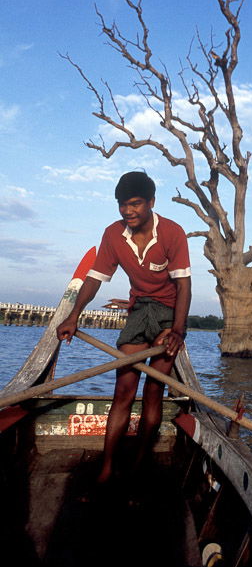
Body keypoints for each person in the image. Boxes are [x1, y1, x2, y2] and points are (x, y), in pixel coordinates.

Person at [57, 171, 191, 484]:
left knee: (154, 390)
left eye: (135, 204)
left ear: (151, 203)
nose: (128, 211)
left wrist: (177, 331)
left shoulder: (173, 233)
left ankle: (138, 464)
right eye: (122, 205)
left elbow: (184, 286)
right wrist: (74, 314)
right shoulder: (113, 235)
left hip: (169, 313)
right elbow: (94, 279)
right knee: (124, 390)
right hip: (139, 309)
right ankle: (106, 468)